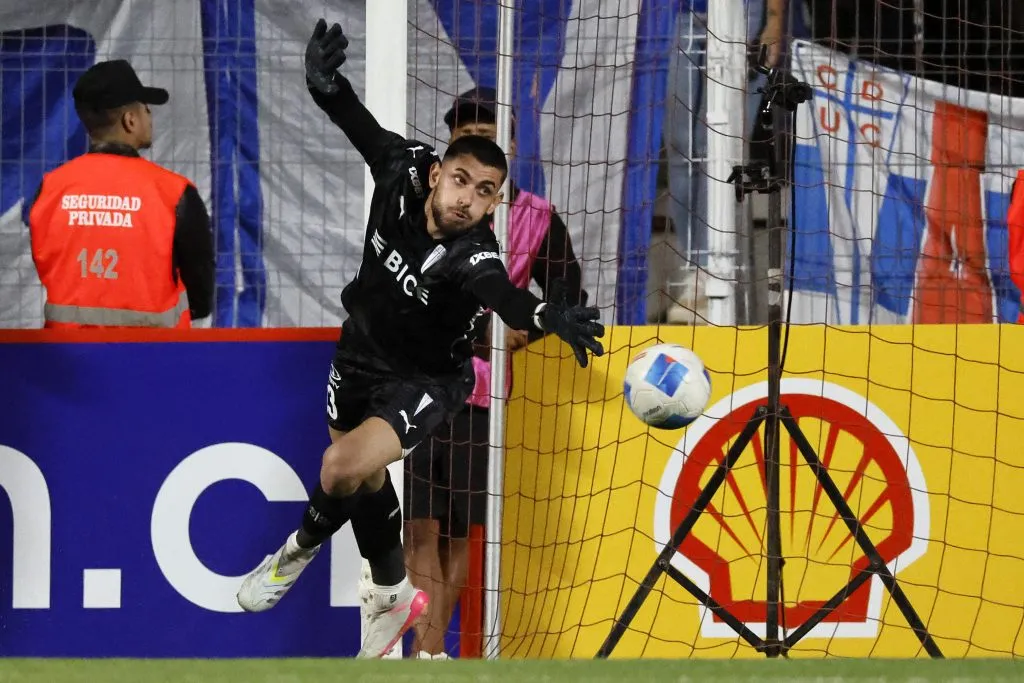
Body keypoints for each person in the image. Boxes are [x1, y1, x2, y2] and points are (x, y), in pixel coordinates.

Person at [235, 19, 605, 660]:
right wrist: (327, 89)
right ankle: (390, 591)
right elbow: (363, 130)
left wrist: (544, 319)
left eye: (485, 192)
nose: (468, 199)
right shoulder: (402, 170)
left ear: (494, 205)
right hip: (359, 354)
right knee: (363, 479)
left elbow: (507, 297)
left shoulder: (475, 255)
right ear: (437, 174)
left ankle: (293, 553)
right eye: (461, 180)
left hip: (429, 379)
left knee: (339, 467)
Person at [400, 87, 588, 659]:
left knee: (457, 530)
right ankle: (424, 655)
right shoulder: (419, 204)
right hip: (410, 383)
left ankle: (428, 654)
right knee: (418, 527)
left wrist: (525, 332)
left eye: (488, 134)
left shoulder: (535, 217)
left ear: (509, 145)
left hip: (477, 395)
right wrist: (486, 332)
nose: (478, 141)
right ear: (451, 147)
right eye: (467, 135)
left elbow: (568, 298)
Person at [28, 59, 213, 329]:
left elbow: (48, 264)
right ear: (130, 120)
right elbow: (201, 298)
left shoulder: (51, 189)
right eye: (146, 109)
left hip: (68, 363)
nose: (150, 115)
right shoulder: (174, 194)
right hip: (153, 360)